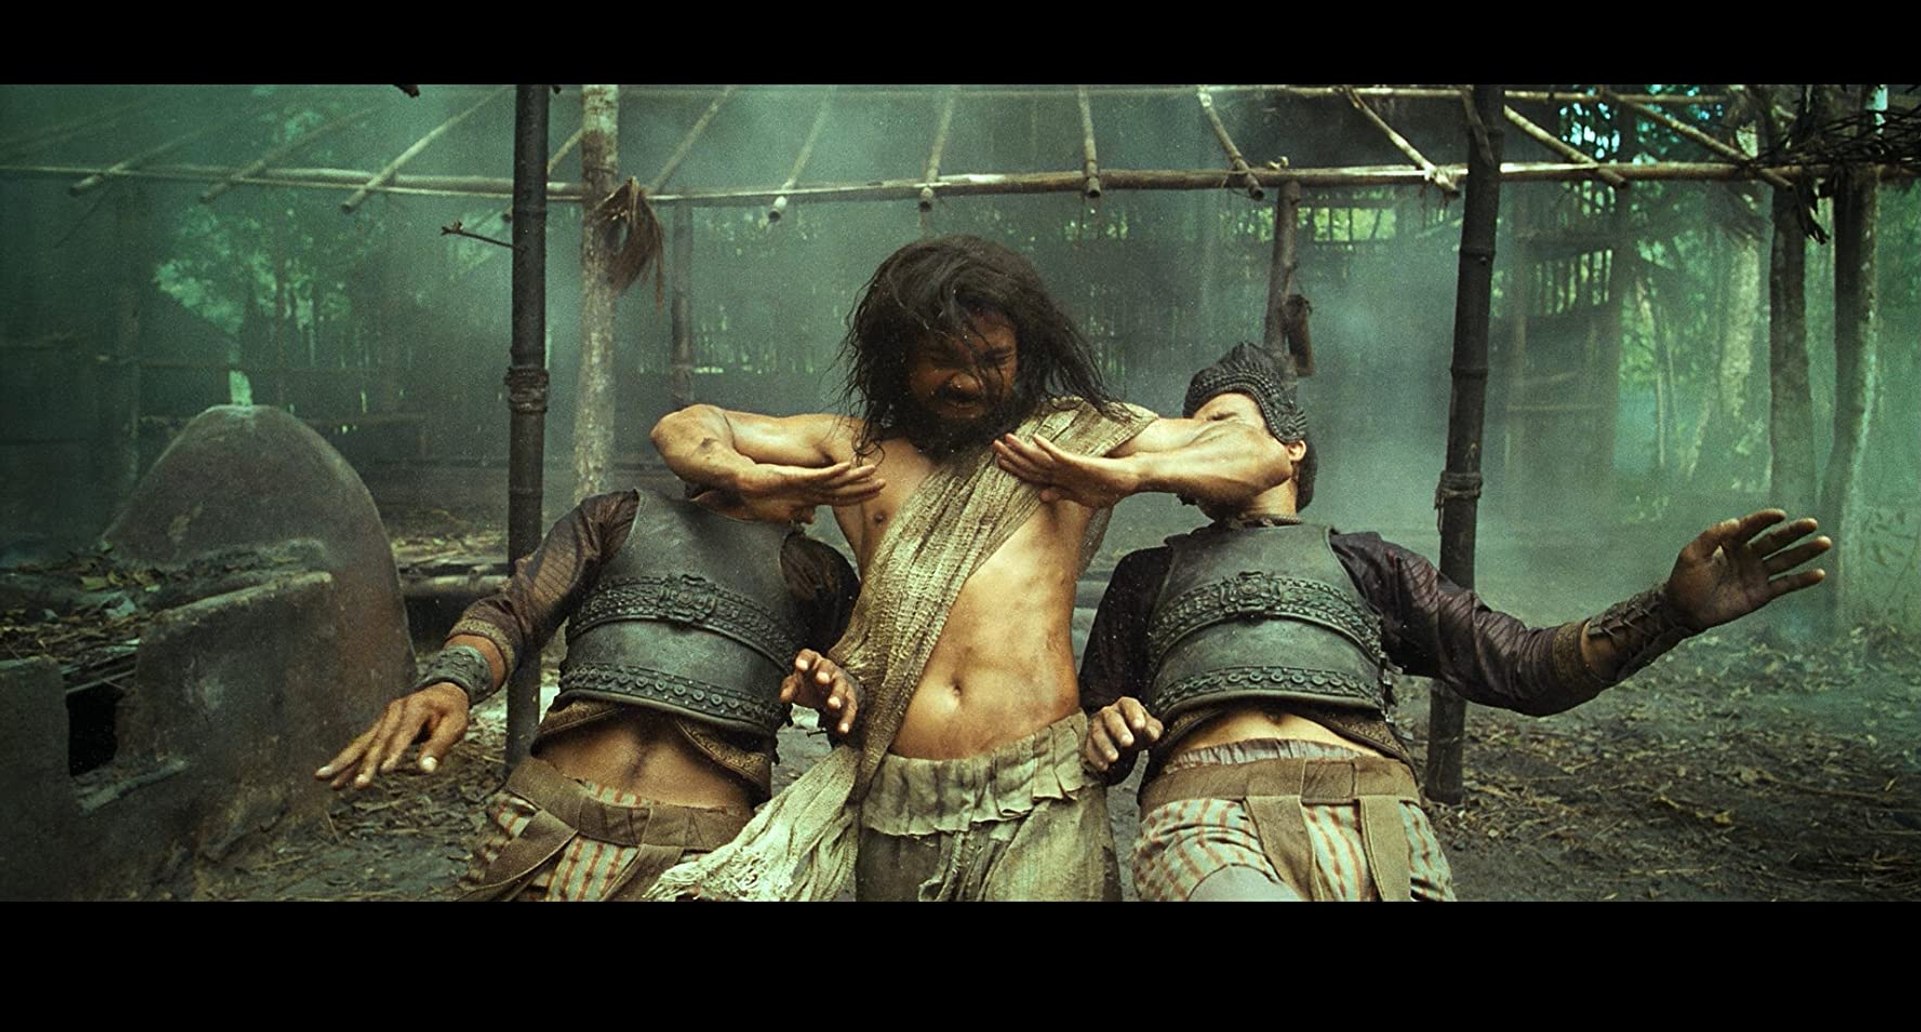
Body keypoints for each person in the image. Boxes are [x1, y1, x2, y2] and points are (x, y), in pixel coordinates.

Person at [644, 235, 1293, 901]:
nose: (970, 380)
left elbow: (1260, 455)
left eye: (993, 359)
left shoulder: (1074, 440)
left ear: (1024, 355)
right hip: (899, 798)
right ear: (899, 359)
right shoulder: (858, 449)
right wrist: (749, 476)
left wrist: (1127, 475)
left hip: (1040, 793)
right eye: (943, 360)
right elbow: (688, 426)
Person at [1077, 341, 1834, 900]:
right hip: (1209, 815)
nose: (1199, 445)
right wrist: (1105, 728)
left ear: (1290, 446)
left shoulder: (1369, 564)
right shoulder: (1147, 576)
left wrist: (1670, 611)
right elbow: (1094, 743)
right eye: (1190, 435)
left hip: (1377, 814)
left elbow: (1523, 668)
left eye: (1222, 427)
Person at [314, 486, 862, 901]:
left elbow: (865, 718)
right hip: (539, 823)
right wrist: (452, 682)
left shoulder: (819, 573)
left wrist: (837, 697)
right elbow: (516, 612)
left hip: (698, 854)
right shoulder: (616, 517)